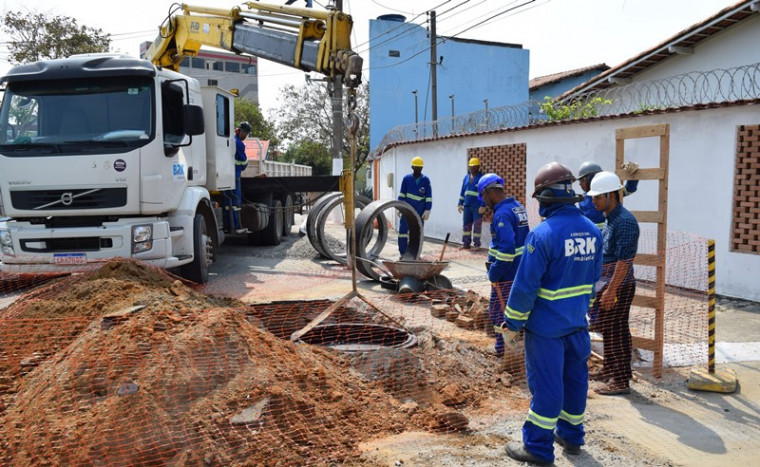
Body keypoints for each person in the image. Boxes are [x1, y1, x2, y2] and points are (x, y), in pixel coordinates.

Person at [502, 162, 602, 465]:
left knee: (546, 387)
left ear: (545, 198)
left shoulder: (542, 235)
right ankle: (572, 437)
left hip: (546, 329)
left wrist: (512, 323)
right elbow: (593, 282)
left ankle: (537, 448)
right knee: (575, 382)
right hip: (576, 324)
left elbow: (524, 288)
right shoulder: (593, 231)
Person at [586, 171, 640, 396]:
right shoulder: (611, 219)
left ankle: (620, 380)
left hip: (619, 286)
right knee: (609, 330)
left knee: (617, 331)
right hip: (608, 285)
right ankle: (609, 368)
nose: (593, 201)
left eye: (597, 197)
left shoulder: (625, 222)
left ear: (611, 195)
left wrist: (611, 290)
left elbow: (624, 261)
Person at [478, 173, 529, 356]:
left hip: (506, 273)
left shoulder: (502, 214)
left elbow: (507, 248)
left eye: (484, 197)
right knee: (515, 309)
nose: (484, 202)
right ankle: (514, 346)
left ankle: (504, 349)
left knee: (499, 311)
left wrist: (495, 271)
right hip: (520, 270)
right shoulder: (517, 207)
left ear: (490, 192)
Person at [577, 160, 639, 230]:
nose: (580, 184)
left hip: (608, 236)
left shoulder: (608, 193)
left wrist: (632, 174)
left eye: (582, 180)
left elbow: (629, 189)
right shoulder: (582, 200)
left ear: (591, 178)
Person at [397, 156, 432, 256]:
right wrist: (400, 207)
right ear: (412, 167)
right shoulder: (406, 179)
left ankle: (415, 253)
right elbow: (402, 194)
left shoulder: (425, 180)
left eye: (420, 168)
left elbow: (428, 196)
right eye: (416, 167)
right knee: (403, 231)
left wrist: (427, 209)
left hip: (420, 210)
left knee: (417, 232)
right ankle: (403, 253)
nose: (418, 170)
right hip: (407, 209)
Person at [223, 121, 251, 232]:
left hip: (224, 176)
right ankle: (235, 224)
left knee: (227, 202)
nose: (245, 136)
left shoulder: (228, 140)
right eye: (244, 133)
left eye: (246, 134)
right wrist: (246, 162)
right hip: (235, 177)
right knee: (235, 201)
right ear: (238, 131)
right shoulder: (239, 144)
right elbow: (243, 164)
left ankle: (228, 224)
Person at [457, 158, 484, 250]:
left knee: (477, 226)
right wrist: (460, 203)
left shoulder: (481, 178)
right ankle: (466, 244)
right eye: (471, 166)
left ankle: (477, 245)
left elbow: (485, 193)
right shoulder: (466, 177)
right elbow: (463, 191)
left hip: (477, 206)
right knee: (466, 225)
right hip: (467, 205)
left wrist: (483, 205)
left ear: (478, 167)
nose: (472, 168)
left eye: (474, 166)